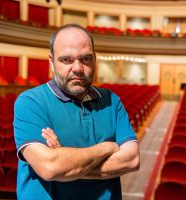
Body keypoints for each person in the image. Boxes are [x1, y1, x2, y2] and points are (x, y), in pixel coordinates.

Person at [13, 23, 140, 200]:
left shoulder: (112, 100)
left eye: (86, 59)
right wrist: (107, 147)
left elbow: (132, 160)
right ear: (51, 62)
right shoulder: (31, 102)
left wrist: (67, 165)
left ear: (95, 59)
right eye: (67, 60)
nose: (78, 68)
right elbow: (50, 168)